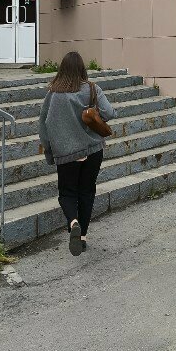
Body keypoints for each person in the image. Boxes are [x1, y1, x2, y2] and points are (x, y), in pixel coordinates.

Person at [38, 51, 116, 256]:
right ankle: (82, 238)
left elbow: (44, 125)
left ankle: (73, 223)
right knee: (87, 192)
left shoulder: (53, 94)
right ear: (82, 68)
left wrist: (49, 152)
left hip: (66, 153)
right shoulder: (92, 89)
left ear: (62, 69)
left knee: (67, 193)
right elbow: (109, 113)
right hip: (93, 150)